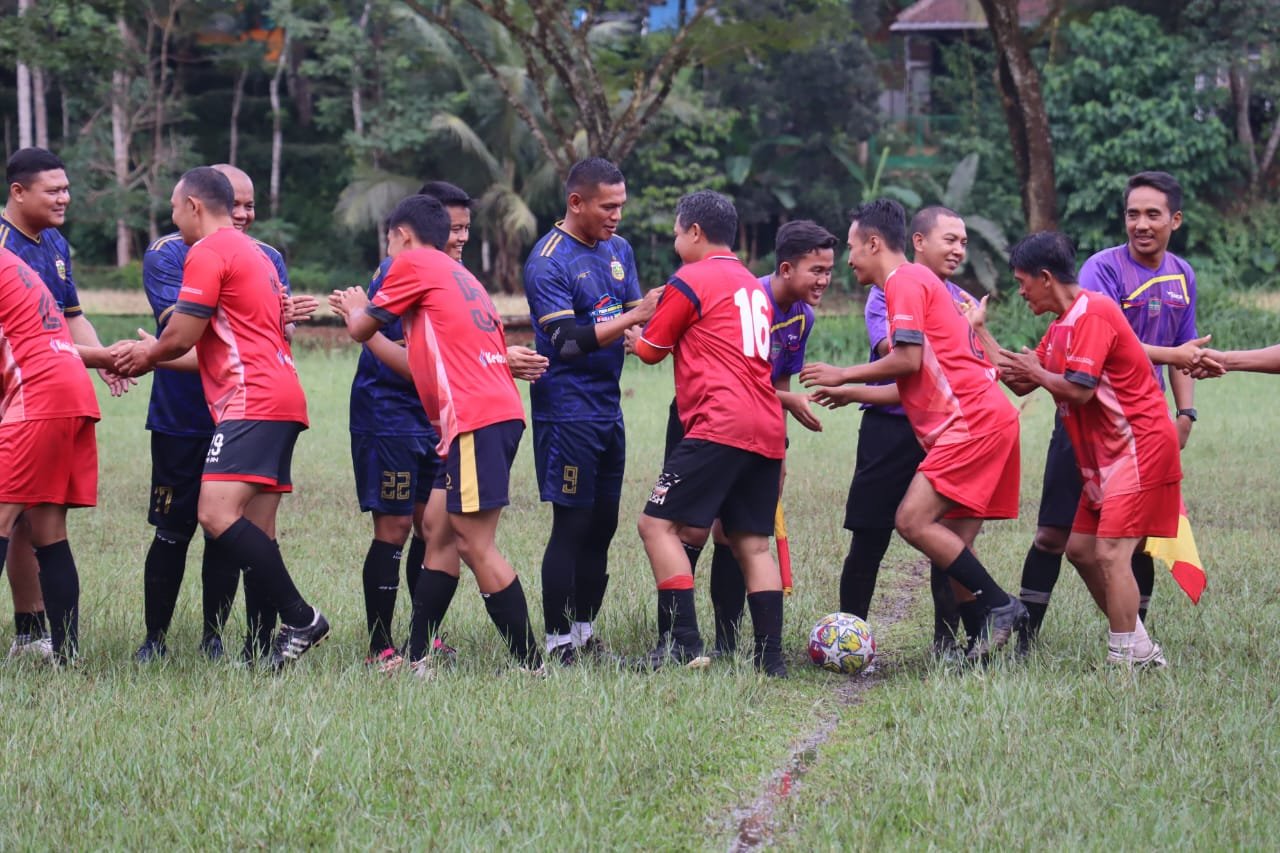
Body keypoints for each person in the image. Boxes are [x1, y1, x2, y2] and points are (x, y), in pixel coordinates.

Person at [113, 166, 328, 670]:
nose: (174, 219)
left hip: (251, 399)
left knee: (214, 514)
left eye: (174, 209)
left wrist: (143, 355)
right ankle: (261, 652)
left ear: (193, 206)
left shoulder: (209, 251)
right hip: (283, 394)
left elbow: (181, 336)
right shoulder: (255, 255)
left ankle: (301, 618)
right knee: (258, 528)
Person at [800, 198, 1026, 661]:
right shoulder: (924, 284)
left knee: (911, 521)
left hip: (970, 423)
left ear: (874, 243)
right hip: (991, 417)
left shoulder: (903, 281)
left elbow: (907, 359)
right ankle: (983, 640)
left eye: (852, 247)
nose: (848, 259)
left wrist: (844, 373)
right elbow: (917, 381)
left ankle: (1001, 606)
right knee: (954, 544)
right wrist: (853, 391)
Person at [330, 194, 542, 674]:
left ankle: (531, 664)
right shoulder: (459, 275)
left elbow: (362, 328)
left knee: (475, 544)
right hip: (489, 415)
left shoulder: (413, 263)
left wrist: (355, 307)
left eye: (389, 242)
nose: (388, 255)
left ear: (402, 235)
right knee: (439, 534)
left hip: (475, 420)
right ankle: (417, 657)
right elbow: (422, 359)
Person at [1015, 171, 1208, 648]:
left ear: (1175, 220)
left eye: (1152, 214)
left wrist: (1185, 414)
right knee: (1056, 535)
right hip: (1082, 417)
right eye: (1132, 214)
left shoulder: (1182, 275)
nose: (1141, 224)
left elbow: (1184, 350)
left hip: (1136, 425)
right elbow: (1108, 339)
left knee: (1130, 542)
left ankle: (1134, 641)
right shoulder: (1102, 269)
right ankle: (1024, 640)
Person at [992, 231, 1180, 666]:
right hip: (1105, 455)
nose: (1021, 292)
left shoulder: (1094, 313)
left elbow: (1078, 390)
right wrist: (977, 333)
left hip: (1139, 445)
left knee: (1111, 553)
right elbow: (1022, 379)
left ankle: (1123, 659)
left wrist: (1038, 373)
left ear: (1044, 277)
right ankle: (1140, 648)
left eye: (1022, 282)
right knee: (1079, 549)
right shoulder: (1062, 324)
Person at [630, 190, 789, 676]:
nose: (675, 241)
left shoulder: (691, 278)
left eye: (677, 232)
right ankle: (770, 659)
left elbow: (652, 350)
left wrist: (631, 335)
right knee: (753, 544)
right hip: (767, 425)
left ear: (695, 232)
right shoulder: (752, 284)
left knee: (656, 525)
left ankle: (682, 641)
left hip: (719, 423)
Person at [664, 219, 833, 658]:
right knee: (690, 528)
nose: (824, 280)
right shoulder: (747, 295)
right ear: (785, 268)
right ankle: (675, 635)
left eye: (829, 271)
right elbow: (734, 382)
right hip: (704, 420)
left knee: (734, 533)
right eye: (816, 270)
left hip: (757, 428)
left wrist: (782, 451)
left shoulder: (802, 317)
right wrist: (787, 402)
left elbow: (776, 383)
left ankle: (726, 642)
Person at [811, 206, 968, 655]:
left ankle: (947, 645)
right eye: (950, 240)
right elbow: (898, 355)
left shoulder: (964, 303)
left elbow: (954, 367)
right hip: (891, 428)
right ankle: (848, 639)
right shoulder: (886, 292)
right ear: (919, 242)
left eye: (963, 242)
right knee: (869, 536)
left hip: (944, 432)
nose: (958, 250)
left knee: (945, 537)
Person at [523, 157, 657, 664]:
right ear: (576, 202)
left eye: (621, 205)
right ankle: (557, 642)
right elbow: (566, 341)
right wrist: (633, 316)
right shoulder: (548, 260)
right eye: (607, 206)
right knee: (572, 524)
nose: (617, 216)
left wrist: (645, 331)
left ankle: (584, 632)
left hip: (607, 408)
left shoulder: (618, 249)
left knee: (604, 524)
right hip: (567, 411)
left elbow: (634, 322)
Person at [0, 147, 131, 661]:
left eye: (66, 189)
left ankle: (42, 638)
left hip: (36, 390)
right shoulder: (6, 245)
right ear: (18, 193)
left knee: (12, 515)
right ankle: (49, 642)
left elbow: (65, 320)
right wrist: (100, 358)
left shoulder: (53, 244)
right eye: (53, 190)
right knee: (41, 524)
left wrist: (101, 357)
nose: (64, 199)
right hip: (53, 388)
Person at [0, 246, 101, 665]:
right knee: (47, 529)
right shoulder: (11, 261)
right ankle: (66, 654)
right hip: (69, 389)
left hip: (38, 394)